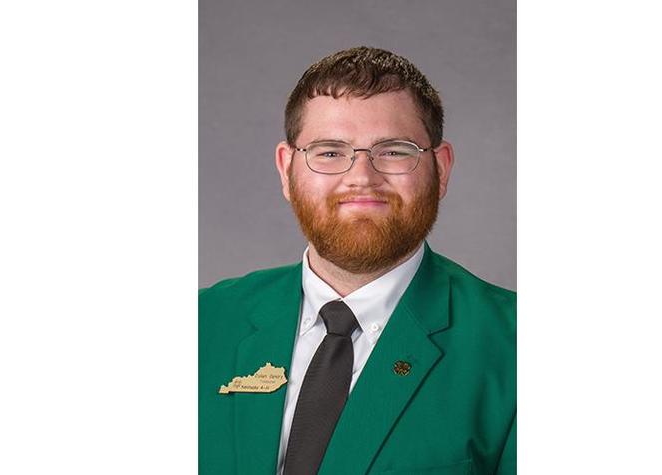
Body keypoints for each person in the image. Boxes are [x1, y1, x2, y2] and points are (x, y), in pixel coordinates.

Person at [199, 46, 516, 475]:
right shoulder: (201, 324)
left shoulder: (515, 348)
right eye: (329, 151)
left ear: (440, 169)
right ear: (286, 170)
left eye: (394, 151)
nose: (362, 178)